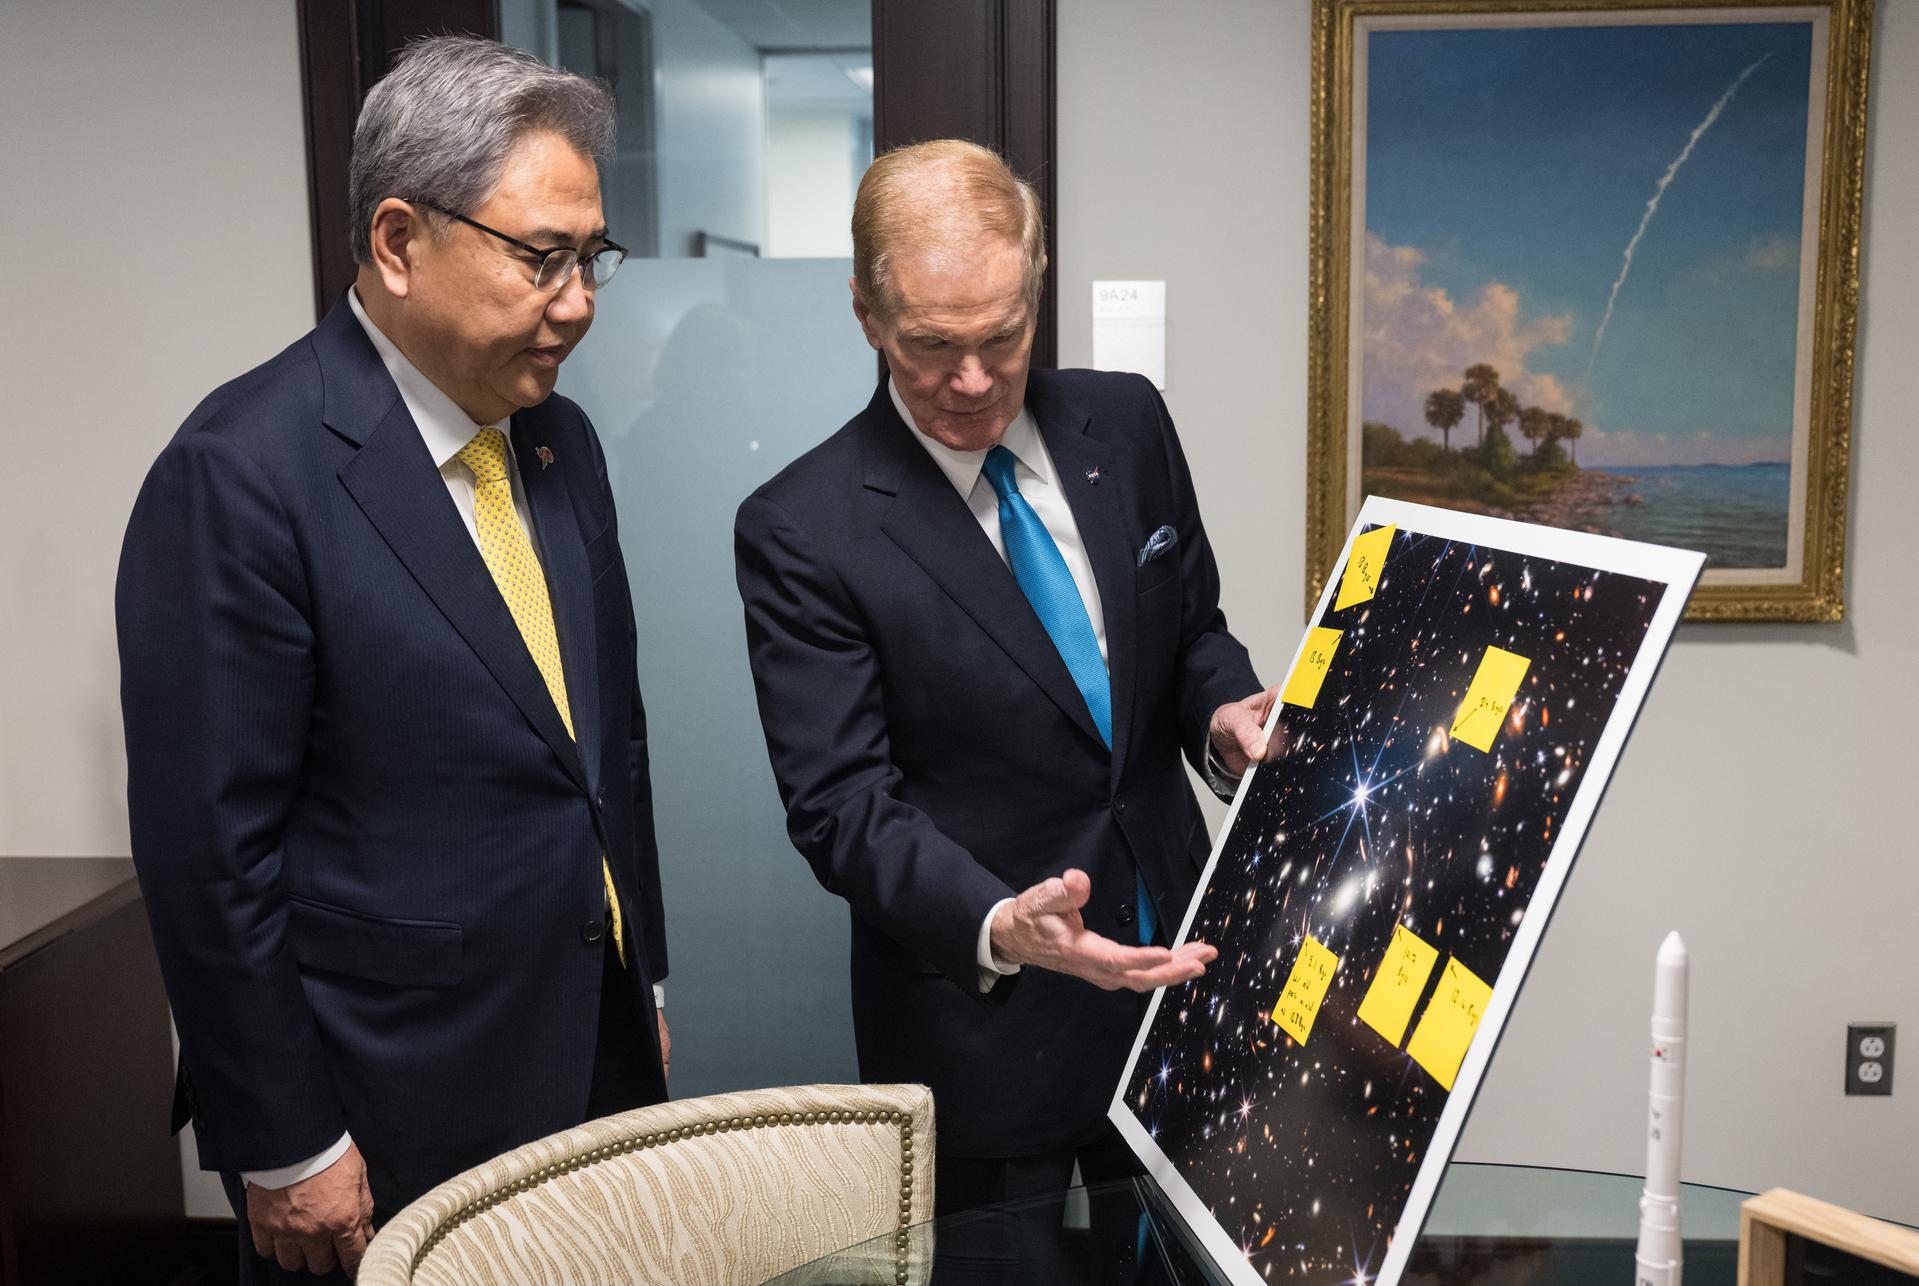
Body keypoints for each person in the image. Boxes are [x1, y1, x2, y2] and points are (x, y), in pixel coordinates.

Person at [117, 37, 669, 1282]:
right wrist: (287, 1139)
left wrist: (641, 980)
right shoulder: (242, 473)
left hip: (585, 1056)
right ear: (399, 240)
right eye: (541, 257)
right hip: (381, 1108)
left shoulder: (560, 442)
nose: (577, 301)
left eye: (591, 258)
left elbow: (607, 741)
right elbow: (209, 853)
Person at [734, 139, 1277, 1225]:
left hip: (1180, 968)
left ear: (1035, 289)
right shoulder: (803, 526)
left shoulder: (1126, 422)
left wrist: (1222, 712)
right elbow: (841, 804)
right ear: (866, 313)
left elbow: (1190, 633)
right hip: (983, 1024)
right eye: (932, 346)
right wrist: (995, 919)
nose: (973, 381)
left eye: (1001, 337)